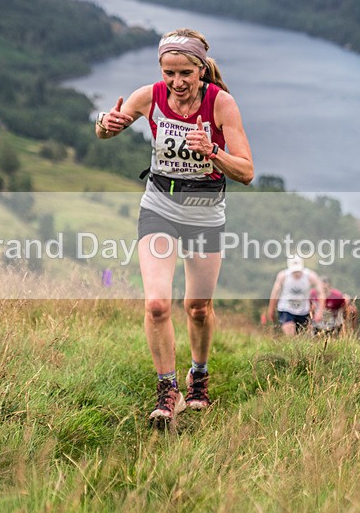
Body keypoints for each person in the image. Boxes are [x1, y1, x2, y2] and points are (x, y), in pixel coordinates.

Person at [93, 28, 254, 428]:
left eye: (185, 73)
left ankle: (198, 377)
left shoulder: (222, 104)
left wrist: (213, 152)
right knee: (157, 304)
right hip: (159, 207)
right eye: (169, 73)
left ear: (201, 70)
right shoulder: (150, 96)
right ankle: (169, 390)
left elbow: (247, 171)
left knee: (197, 308)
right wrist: (105, 124)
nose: (177, 82)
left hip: (204, 213)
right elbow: (106, 128)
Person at [267, 256, 325, 335]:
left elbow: (321, 293)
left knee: (302, 337)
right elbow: (275, 293)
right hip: (286, 308)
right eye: (294, 271)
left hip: (303, 311)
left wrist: (320, 311)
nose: (296, 273)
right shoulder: (283, 276)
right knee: (290, 334)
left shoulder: (311, 276)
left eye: (298, 271)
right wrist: (271, 309)